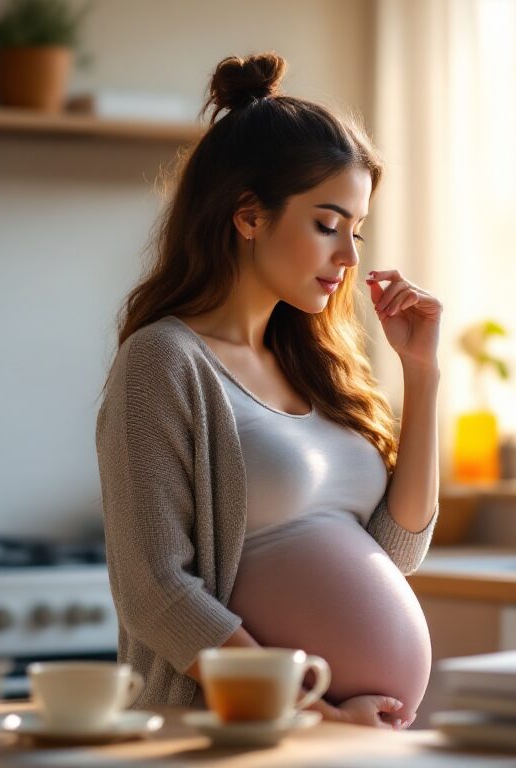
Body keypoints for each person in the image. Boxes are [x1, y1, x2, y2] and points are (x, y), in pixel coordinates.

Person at [95, 52, 442, 729]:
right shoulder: (164, 362)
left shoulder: (315, 366)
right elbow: (157, 592)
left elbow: (398, 552)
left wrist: (422, 376)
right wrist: (305, 706)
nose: (348, 257)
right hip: (235, 734)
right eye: (326, 223)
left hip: (340, 736)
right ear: (249, 215)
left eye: (356, 231)